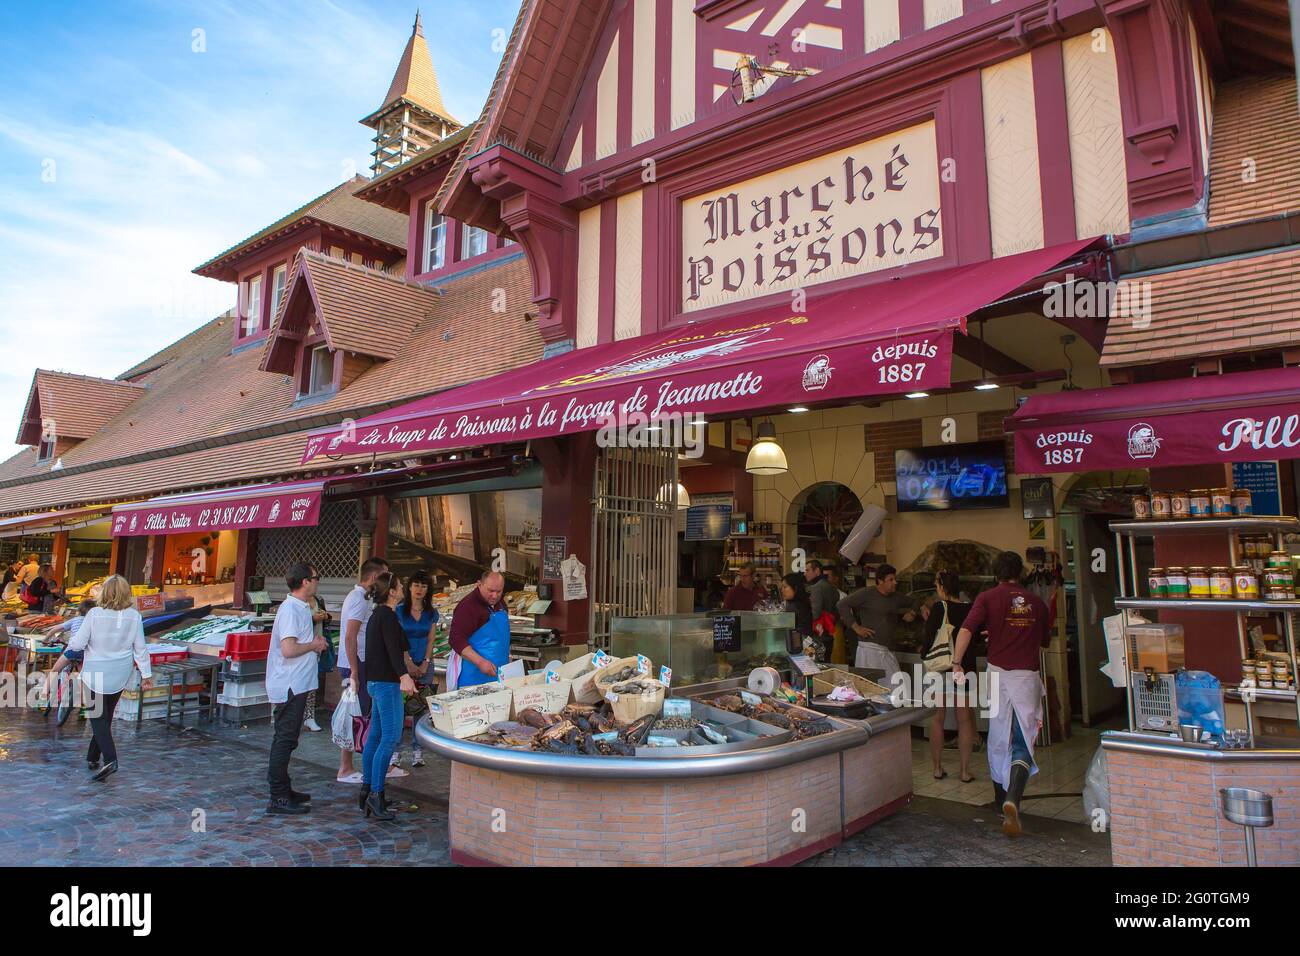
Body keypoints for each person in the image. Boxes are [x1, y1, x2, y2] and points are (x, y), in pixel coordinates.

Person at [952, 551, 1051, 838]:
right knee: (1023, 738)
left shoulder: (987, 598)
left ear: (996, 574)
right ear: (1019, 573)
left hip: (996, 675)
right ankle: (1013, 799)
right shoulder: (1037, 603)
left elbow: (966, 630)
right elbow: (1043, 643)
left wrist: (957, 662)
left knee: (998, 736)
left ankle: (999, 800)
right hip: (1026, 678)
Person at [46, 577, 151, 781]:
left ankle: (111, 759)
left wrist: (69, 642)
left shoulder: (94, 614)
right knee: (106, 715)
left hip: (96, 670)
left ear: (104, 592)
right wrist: (146, 674)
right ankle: (93, 757)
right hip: (121, 671)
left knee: (96, 717)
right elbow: (140, 648)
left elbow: (78, 644)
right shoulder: (134, 616)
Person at [265, 562, 328, 815]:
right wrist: (314, 645)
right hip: (289, 683)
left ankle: (284, 788)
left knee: (289, 739)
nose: (317, 581)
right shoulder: (291, 609)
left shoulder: (302, 608)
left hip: (299, 682)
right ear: (305, 581)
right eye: (315, 577)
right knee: (285, 738)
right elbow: (288, 649)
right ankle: (278, 796)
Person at [359, 571, 418, 821]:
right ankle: (376, 794)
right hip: (386, 684)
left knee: (376, 736)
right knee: (390, 737)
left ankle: (367, 789)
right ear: (391, 592)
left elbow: (395, 645)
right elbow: (395, 651)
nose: (403, 587)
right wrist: (404, 676)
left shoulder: (379, 615)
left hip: (375, 682)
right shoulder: (386, 617)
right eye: (399, 585)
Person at [337, 557, 396, 784]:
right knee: (354, 715)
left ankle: (360, 765)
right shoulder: (359, 599)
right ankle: (345, 767)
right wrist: (354, 671)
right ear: (373, 578)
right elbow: (350, 636)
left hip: (360, 663)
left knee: (362, 714)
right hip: (356, 663)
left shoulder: (362, 598)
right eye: (384, 576)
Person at [924, 570, 976, 783]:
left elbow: (927, 640)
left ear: (942, 587)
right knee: (965, 721)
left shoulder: (939, 608)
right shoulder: (971, 609)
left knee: (938, 719)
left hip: (940, 669)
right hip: (964, 669)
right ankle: (964, 772)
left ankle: (937, 768)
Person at [836, 564, 916, 676]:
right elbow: (842, 604)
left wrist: (912, 612)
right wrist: (856, 628)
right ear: (880, 581)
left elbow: (914, 602)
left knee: (896, 684)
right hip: (869, 649)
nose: (895, 582)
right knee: (872, 685)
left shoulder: (896, 597)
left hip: (888, 648)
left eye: (895, 579)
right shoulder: (867, 593)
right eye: (891, 580)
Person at [395, 569, 439, 767]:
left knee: (420, 709)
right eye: (416, 585)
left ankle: (417, 750)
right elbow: (396, 638)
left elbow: (431, 638)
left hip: (425, 664)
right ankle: (395, 751)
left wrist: (425, 662)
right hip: (403, 664)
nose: (419, 589)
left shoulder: (431, 612)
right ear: (409, 587)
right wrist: (409, 663)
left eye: (423, 585)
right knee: (400, 707)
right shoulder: (399, 610)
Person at [448, 570, 510, 688]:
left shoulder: (501, 604)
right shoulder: (467, 606)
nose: (495, 596)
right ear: (479, 584)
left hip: (499, 674)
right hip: (473, 676)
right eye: (490, 591)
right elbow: (456, 640)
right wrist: (480, 662)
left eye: (499, 591)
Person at [302, 594, 331, 733]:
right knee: (302, 684)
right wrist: (313, 619)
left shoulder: (319, 599)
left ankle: (310, 717)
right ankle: (300, 716)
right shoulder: (298, 602)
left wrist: (325, 616)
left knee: (313, 683)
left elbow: (327, 620)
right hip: (303, 647)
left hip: (317, 646)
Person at [780, 573, 814, 654]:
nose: (782, 590)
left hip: (800, 647)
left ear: (795, 588)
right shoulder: (803, 602)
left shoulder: (796, 606)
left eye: (785, 587)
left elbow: (796, 631)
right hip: (805, 645)